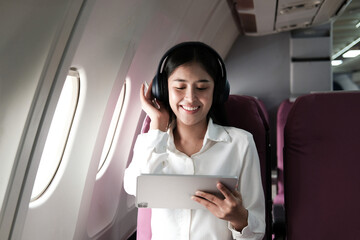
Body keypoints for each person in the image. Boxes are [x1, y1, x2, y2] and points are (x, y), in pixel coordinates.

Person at [124, 42, 265, 239]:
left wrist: (239, 219)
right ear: (164, 90)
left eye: (202, 87)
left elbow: (256, 233)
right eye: (180, 87)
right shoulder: (151, 142)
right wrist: (157, 123)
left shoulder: (240, 143)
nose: (190, 98)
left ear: (217, 91)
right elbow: (134, 188)